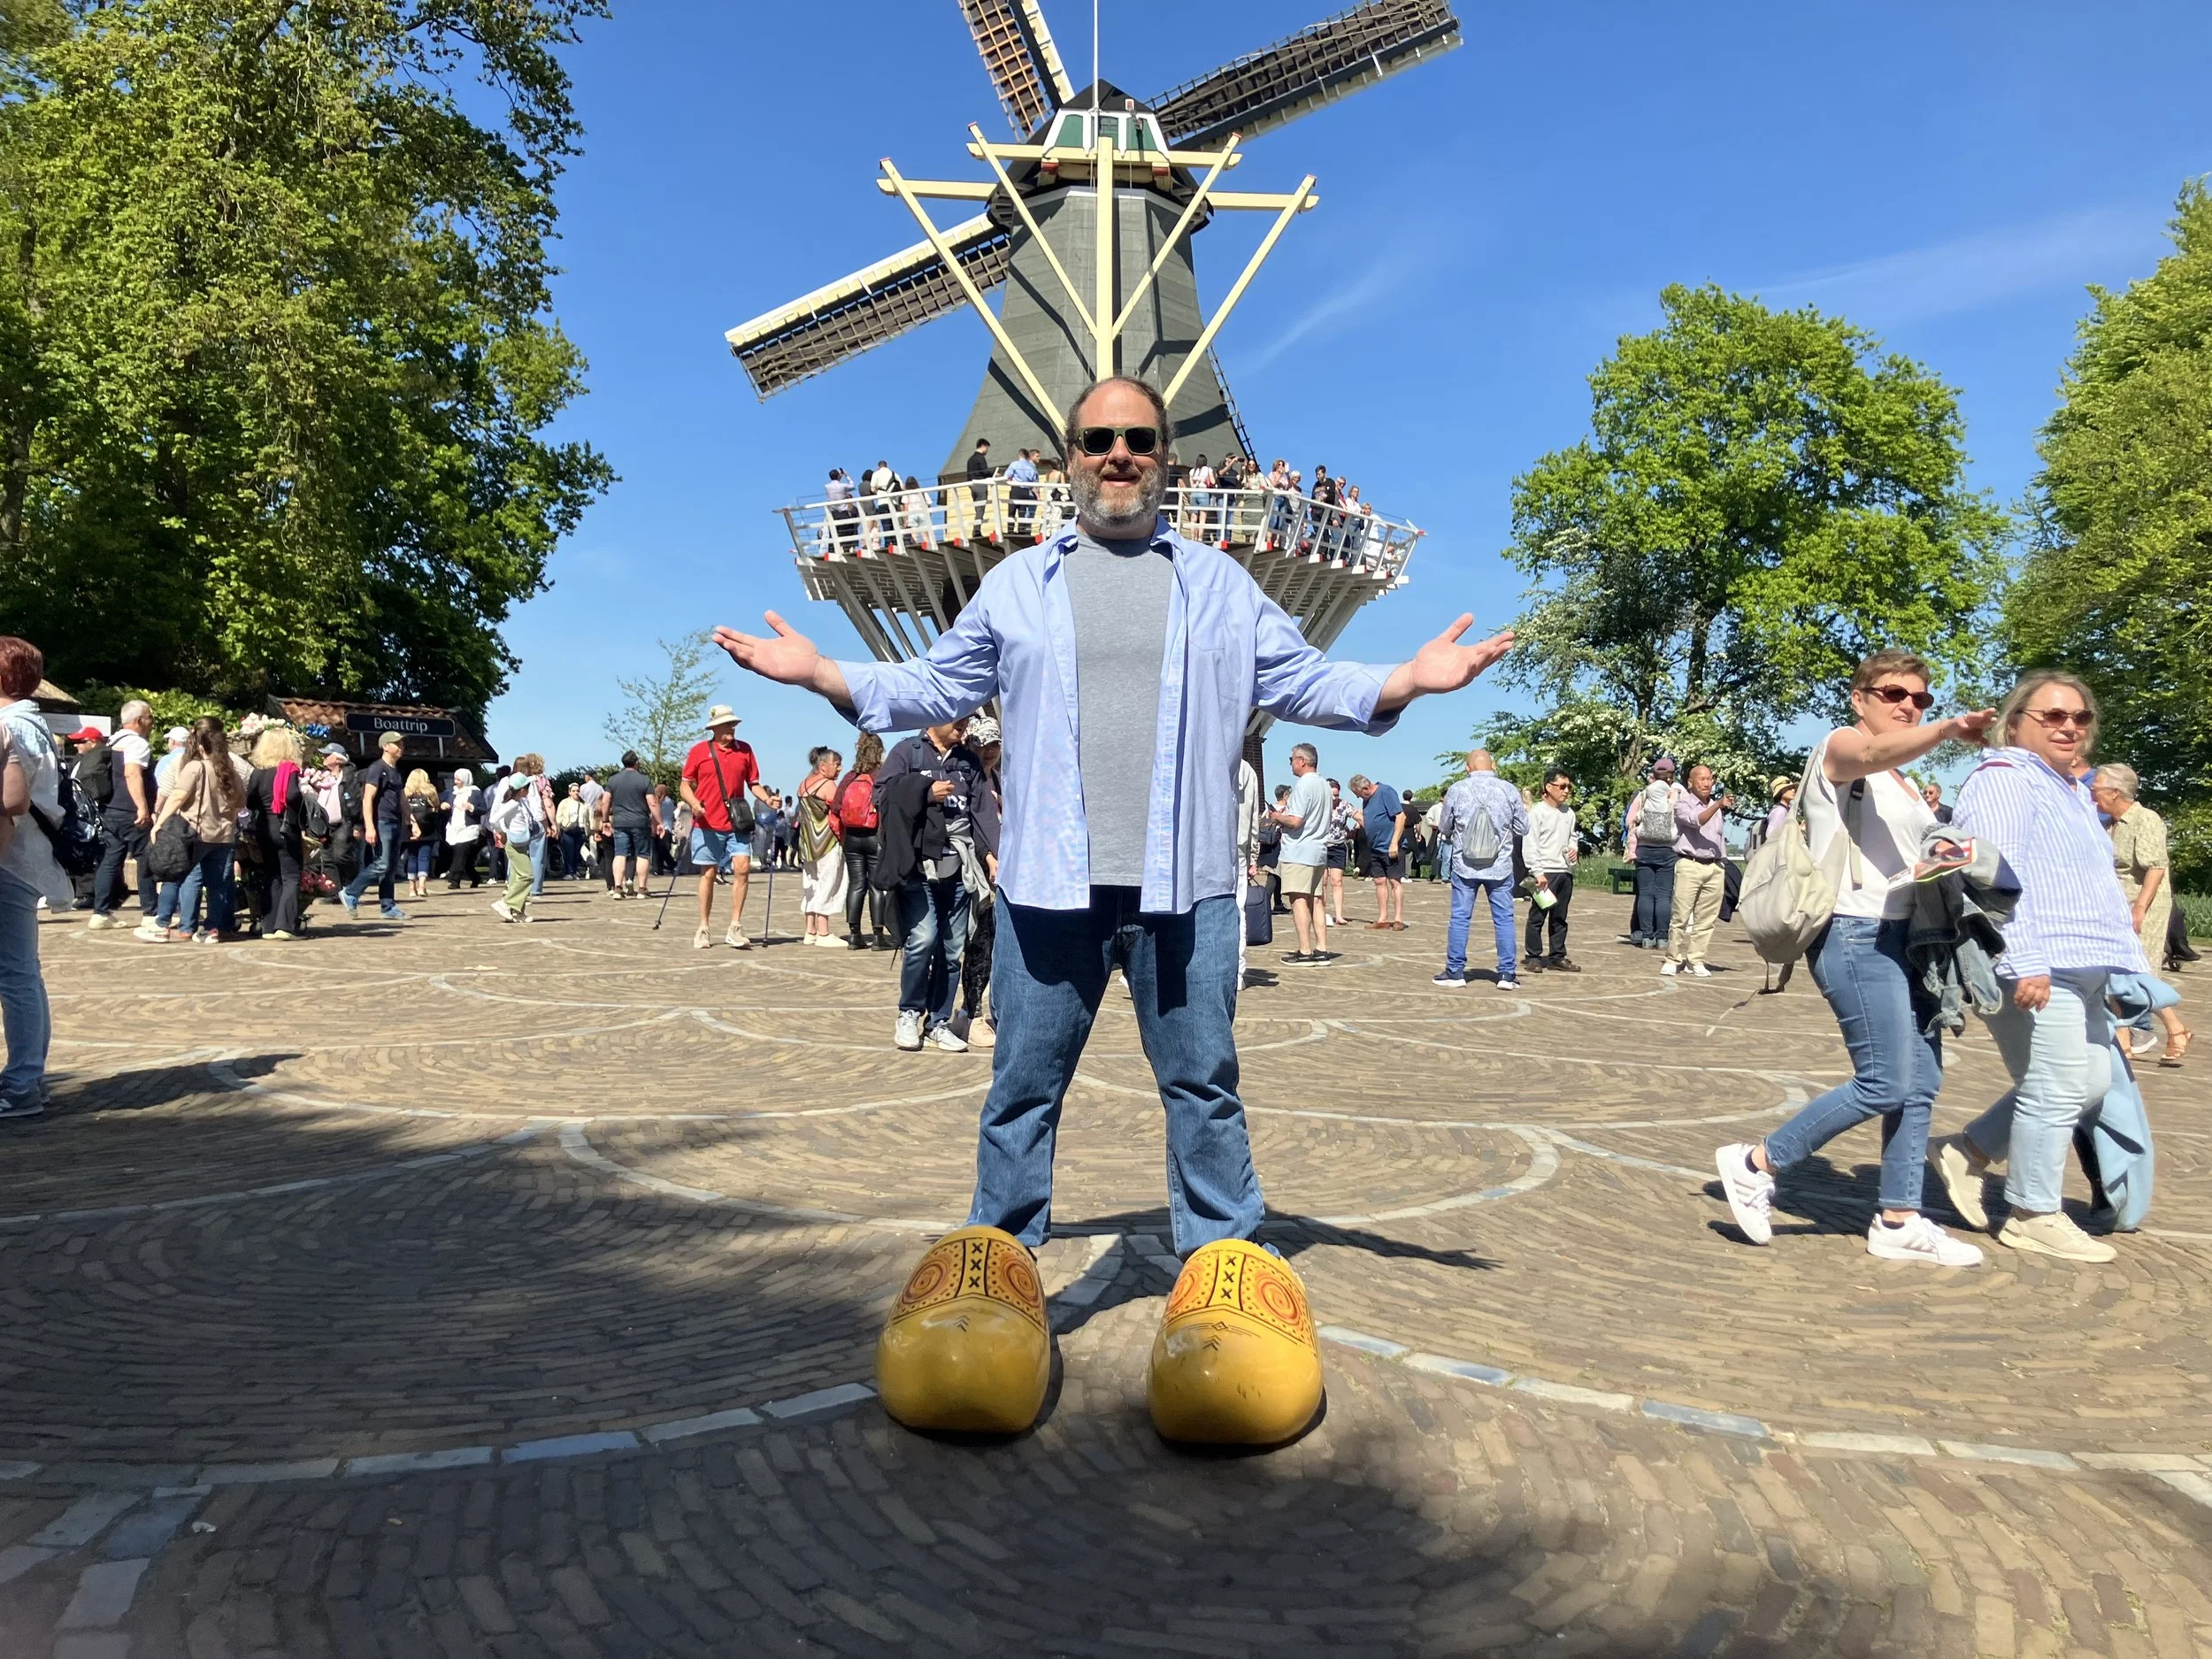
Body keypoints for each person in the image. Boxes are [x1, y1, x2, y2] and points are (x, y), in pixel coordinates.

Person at [710, 371, 1512, 1272]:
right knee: (1020, 1087)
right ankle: (999, 1262)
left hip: (1189, 887)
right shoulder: (1016, 586)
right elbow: (933, 686)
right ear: (1069, 460)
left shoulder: (1221, 585)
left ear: (1165, 458)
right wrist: (822, 673)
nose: (1118, 454)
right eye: (1098, 440)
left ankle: (1225, 1267)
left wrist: (1405, 679)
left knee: (1204, 1086)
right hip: (1051, 888)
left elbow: (1306, 681)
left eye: (1136, 439)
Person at [1715, 649, 1994, 1267]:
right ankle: (1756, 1161)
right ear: (1859, 696)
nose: (1909, 705)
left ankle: (1899, 1217)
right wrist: (1947, 729)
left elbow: (1909, 855)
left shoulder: (1906, 785)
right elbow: (1867, 755)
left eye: (1921, 699)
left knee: (1920, 1083)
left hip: (1911, 939)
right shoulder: (1839, 747)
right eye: (1895, 693)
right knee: (1885, 1078)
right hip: (1854, 934)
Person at [1927, 672, 2154, 1264]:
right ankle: (2032, 1212)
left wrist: (2118, 969)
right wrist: (2024, 960)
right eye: (2052, 715)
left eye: (2079, 716)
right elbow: (1992, 877)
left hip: (2082, 963)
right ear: (2017, 719)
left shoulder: (2069, 788)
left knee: (2096, 1077)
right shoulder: (2004, 778)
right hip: (2034, 960)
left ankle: (1968, 1150)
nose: (2069, 726)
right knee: (2055, 1084)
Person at [878, 719, 982, 1050]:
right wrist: (923, 791)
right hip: (920, 866)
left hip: (958, 866)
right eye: (959, 719)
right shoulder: (907, 751)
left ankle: (938, 1020)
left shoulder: (967, 761)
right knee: (923, 939)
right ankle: (908, 1012)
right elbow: (881, 795)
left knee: (952, 950)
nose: (964, 726)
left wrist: (991, 855)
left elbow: (981, 812)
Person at [0, 638, 65, 1118]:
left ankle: (22, 1083)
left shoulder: (9, 726)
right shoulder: (33, 723)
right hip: (26, 859)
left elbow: (11, 802)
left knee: (17, 973)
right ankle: (27, 1078)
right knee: (23, 973)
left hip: (9, 857)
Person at [2091, 763, 2190, 1065]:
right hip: (2115, 907)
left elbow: (2155, 868)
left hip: (2143, 905)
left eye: (2096, 788)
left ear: (2115, 792)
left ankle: (2175, 1029)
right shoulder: (2109, 824)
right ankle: (2123, 1042)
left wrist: (2140, 909)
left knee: (2138, 973)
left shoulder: (2146, 820)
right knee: (2112, 971)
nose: (2092, 793)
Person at [680, 706, 773, 949]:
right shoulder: (699, 751)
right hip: (707, 822)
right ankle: (703, 927)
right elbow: (685, 785)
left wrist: (766, 799)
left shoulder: (745, 750)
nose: (732, 728)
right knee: (708, 874)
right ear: (715, 728)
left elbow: (753, 783)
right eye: (727, 725)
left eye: (733, 724)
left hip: (737, 822)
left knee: (742, 869)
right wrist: (693, 803)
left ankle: (735, 925)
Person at [145, 715, 244, 943]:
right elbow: (240, 801)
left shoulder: (195, 767)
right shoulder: (230, 768)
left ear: (199, 743)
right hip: (224, 835)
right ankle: (212, 930)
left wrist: (159, 823)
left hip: (196, 833)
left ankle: (162, 926)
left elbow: (178, 796)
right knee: (217, 884)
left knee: (175, 876)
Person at [1434, 749, 1526, 989]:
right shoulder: (1508, 790)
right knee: (1504, 919)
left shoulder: (1456, 790)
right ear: (1493, 765)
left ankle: (1455, 972)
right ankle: (1507, 974)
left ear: (1467, 768)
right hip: (1500, 866)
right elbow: (1523, 827)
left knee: (1460, 918)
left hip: (1465, 866)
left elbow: (1444, 827)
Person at [89, 700, 157, 928]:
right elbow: (132, 773)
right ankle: (150, 913)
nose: (152, 722)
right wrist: (142, 807)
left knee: (110, 860)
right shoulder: (137, 744)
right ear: (139, 720)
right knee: (145, 860)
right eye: (149, 717)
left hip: (111, 810)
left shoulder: (112, 740)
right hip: (131, 811)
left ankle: (100, 912)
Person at [1661, 764, 1733, 978]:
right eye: (1701, 779)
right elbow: (1697, 820)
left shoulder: (1716, 807)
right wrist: (1719, 804)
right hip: (1689, 863)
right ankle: (1673, 958)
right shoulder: (1682, 804)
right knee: (1681, 916)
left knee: (1707, 919)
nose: (1707, 783)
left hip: (1714, 865)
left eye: (1710, 779)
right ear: (1690, 783)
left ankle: (1696, 959)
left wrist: (1722, 863)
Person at [958, 716, 1004, 1043]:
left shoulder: (1000, 781)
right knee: (979, 946)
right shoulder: (967, 780)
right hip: (978, 874)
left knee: (1002, 949)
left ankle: (996, 1014)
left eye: (994, 745)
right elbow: (971, 827)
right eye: (981, 744)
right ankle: (969, 1013)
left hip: (1005, 876)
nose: (988, 751)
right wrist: (988, 857)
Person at [1270, 742, 1333, 967]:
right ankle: (1322, 949)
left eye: (1291, 760)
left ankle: (1305, 951)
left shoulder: (1303, 785)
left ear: (1302, 761)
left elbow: (1296, 821)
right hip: (1319, 849)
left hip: (1299, 850)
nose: (1290, 764)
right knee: (1317, 901)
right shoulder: (1325, 785)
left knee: (1298, 900)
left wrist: (1276, 817)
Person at [246, 726, 310, 939]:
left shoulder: (258, 772)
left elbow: (250, 801)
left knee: (272, 876)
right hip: (285, 826)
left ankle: (268, 926)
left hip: (264, 828)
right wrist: (300, 803)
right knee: (291, 876)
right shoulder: (288, 768)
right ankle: (285, 925)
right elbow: (292, 794)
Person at [341, 732, 408, 921]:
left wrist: (411, 820)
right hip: (382, 822)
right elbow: (367, 799)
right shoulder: (376, 769)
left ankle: (388, 907)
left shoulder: (395, 771)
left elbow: (402, 799)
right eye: (397, 743)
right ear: (385, 746)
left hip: (395, 822)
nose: (401, 747)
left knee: (391, 867)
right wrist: (369, 826)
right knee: (383, 863)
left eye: (401, 743)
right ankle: (351, 892)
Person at [1523, 767, 1580, 972]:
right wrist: (1537, 872)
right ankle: (1533, 956)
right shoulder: (1537, 813)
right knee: (1538, 915)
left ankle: (1557, 956)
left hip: (1564, 872)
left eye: (1569, 787)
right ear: (1548, 787)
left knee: (1560, 917)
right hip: (1545, 872)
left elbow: (1572, 836)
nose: (1566, 791)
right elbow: (1530, 844)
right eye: (1562, 786)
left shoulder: (1569, 813)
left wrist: (1574, 849)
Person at [837, 733, 890, 949]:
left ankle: (854, 935)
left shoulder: (850, 777)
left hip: (851, 837)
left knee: (856, 884)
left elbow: (835, 806)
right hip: (874, 835)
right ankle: (878, 936)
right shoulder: (883, 775)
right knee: (877, 886)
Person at [795, 745, 849, 946]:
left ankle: (810, 930)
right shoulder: (827, 785)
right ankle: (824, 932)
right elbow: (840, 810)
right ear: (823, 766)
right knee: (829, 883)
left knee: (811, 885)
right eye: (836, 764)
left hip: (807, 844)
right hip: (826, 842)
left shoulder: (803, 784)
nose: (840, 768)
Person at [1628, 757, 1680, 948]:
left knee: (1646, 894)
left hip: (1645, 848)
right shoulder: (1677, 793)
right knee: (1664, 895)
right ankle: (1663, 937)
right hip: (1668, 849)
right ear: (1671, 774)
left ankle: (1647, 937)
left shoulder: (1644, 794)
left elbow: (1630, 820)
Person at [489, 756, 549, 923]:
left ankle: (517, 911)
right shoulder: (512, 804)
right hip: (514, 843)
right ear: (521, 789)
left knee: (517, 877)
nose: (529, 790)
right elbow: (494, 818)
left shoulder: (520, 803)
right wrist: (501, 831)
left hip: (522, 842)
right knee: (527, 875)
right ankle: (506, 903)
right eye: (527, 788)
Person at [1349, 774, 1407, 929]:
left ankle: (1398, 919)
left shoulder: (1386, 792)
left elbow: (1401, 816)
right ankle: (1383, 919)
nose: (1358, 797)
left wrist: (1394, 842)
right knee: (1379, 881)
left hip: (1391, 846)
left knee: (1394, 881)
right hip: (1374, 847)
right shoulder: (1366, 799)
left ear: (1365, 788)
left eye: (1358, 794)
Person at [601, 752, 657, 899]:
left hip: (620, 822)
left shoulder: (613, 780)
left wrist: (606, 819)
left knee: (620, 854)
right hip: (640, 821)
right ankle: (642, 889)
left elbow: (605, 801)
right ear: (636, 763)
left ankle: (618, 888)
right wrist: (659, 821)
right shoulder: (644, 780)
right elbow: (652, 802)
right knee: (643, 854)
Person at [442, 768, 486, 887]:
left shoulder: (476, 792)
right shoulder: (452, 792)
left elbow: (484, 809)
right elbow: (445, 803)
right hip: (453, 827)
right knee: (463, 858)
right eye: (455, 779)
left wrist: (472, 807)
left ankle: (454, 880)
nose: (456, 782)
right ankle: (475, 877)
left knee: (460, 853)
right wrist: (444, 806)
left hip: (468, 829)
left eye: (459, 779)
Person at [402, 769, 440, 898]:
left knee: (412, 856)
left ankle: (412, 888)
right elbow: (436, 807)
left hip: (410, 828)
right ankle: (422, 886)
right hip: (428, 828)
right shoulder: (430, 792)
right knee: (424, 857)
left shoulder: (405, 793)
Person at [153, 726, 189, 793]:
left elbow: (158, 782)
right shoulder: (195, 758)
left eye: (169, 740)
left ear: (173, 742)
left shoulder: (166, 760)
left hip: (170, 798)